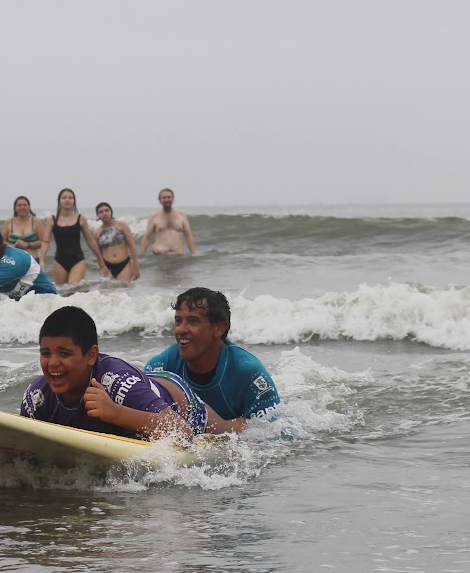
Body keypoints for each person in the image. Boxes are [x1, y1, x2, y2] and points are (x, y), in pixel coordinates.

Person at [20, 306, 233, 441]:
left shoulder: (117, 383)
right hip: (146, 385)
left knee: (229, 433)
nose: (53, 363)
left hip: (181, 403)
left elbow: (181, 432)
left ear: (91, 355)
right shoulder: (37, 397)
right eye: (45, 353)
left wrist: (114, 412)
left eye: (64, 354)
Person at [145, 287, 280, 432]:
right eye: (178, 321)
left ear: (219, 328)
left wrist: (223, 431)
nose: (180, 330)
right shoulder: (161, 368)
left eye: (193, 321)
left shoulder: (247, 372)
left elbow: (274, 428)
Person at [40, 188, 107, 285]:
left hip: (78, 260)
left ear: (74, 201)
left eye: (70, 198)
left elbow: (90, 241)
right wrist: (42, 260)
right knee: (62, 293)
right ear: (59, 201)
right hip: (59, 261)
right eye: (64, 198)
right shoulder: (52, 219)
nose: (67, 200)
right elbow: (46, 241)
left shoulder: (80, 219)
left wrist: (101, 263)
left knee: (73, 288)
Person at [90, 202, 140, 283]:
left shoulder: (122, 226)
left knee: (124, 290)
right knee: (108, 293)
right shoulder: (97, 233)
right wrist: (102, 267)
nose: (104, 213)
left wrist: (136, 267)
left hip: (124, 264)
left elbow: (132, 246)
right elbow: (98, 254)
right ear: (98, 216)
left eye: (107, 210)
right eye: (101, 212)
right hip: (107, 266)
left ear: (111, 212)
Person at [140, 187, 196, 256]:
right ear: (160, 201)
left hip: (178, 257)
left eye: (169, 197)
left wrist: (193, 254)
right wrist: (142, 255)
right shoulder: (154, 216)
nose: (167, 200)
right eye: (164, 198)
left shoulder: (181, 215)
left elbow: (188, 236)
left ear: (173, 199)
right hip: (159, 256)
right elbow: (146, 237)